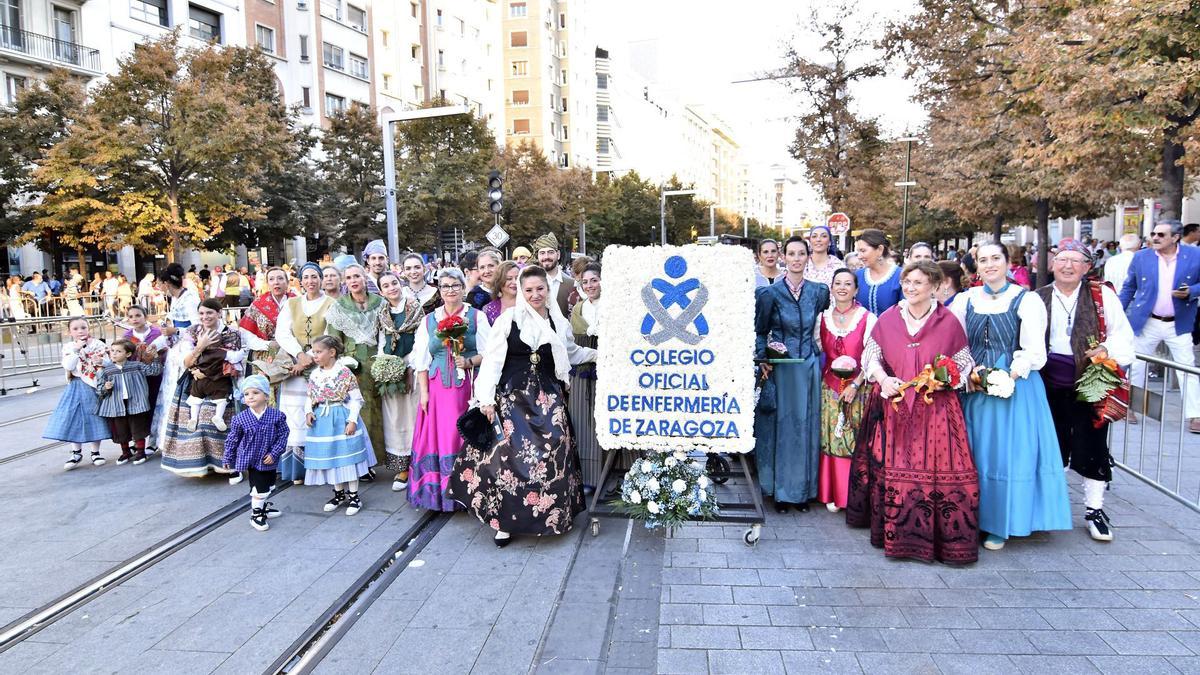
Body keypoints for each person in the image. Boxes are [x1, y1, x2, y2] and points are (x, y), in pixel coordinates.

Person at [448, 265, 597, 547]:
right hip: (512, 397)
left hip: (548, 399)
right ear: (521, 290)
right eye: (528, 290)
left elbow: (571, 353)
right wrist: (486, 399)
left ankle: (550, 515)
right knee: (509, 460)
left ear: (548, 289)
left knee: (554, 453)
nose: (535, 294)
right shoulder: (508, 319)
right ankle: (503, 524)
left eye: (540, 288)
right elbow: (492, 361)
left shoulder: (558, 321)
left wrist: (601, 354)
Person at [846, 261, 979, 564]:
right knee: (894, 469)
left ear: (934, 286)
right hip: (895, 406)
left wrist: (945, 377)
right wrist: (883, 379)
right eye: (907, 282)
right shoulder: (889, 318)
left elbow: (963, 361)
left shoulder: (948, 320)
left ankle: (939, 540)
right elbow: (871, 356)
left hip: (937, 411)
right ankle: (898, 536)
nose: (910, 288)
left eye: (918, 283)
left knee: (937, 471)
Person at [950, 243, 1071, 550]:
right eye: (983, 260)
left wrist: (1009, 375)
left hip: (1014, 383)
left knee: (1005, 452)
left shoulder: (1026, 300)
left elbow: (1033, 351)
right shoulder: (966, 299)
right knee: (974, 450)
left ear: (1007, 262)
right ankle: (970, 516)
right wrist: (969, 372)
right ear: (976, 265)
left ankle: (1000, 522)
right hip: (974, 381)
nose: (990, 264)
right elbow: (955, 342)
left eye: (995, 259)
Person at [1038, 240, 1135, 541]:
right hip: (1048, 381)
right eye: (1062, 259)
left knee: (1092, 443)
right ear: (1052, 264)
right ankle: (1049, 507)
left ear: (1087, 266)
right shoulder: (1037, 297)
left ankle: (1095, 508)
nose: (1067, 266)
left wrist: (1106, 347)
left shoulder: (1101, 295)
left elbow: (1122, 333)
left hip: (1093, 377)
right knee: (1051, 445)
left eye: (1075, 261)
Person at [753, 236, 830, 513]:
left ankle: (802, 492)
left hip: (808, 365)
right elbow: (760, 330)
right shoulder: (769, 294)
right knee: (782, 429)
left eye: (801, 253)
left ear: (808, 257)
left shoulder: (819, 292)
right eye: (792, 254)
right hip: (782, 368)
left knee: (805, 428)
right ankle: (781, 492)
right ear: (784, 258)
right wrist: (763, 358)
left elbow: (828, 324)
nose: (796, 258)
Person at [410, 268, 490, 511]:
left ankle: (467, 492)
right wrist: (424, 393)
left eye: (455, 285)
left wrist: (469, 361)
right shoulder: (429, 320)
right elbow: (421, 360)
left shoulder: (476, 317)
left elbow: (490, 354)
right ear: (439, 290)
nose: (450, 290)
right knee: (439, 437)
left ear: (463, 288)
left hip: (467, 386)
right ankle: (442, 495)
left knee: (461, 435)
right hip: (436, 389)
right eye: (445, 286)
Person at [1120, 219, 1200, 432]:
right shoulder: (1141, 257)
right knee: (1137, 365)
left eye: (1161, 235)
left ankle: (1195, 416)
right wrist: (1118, 313)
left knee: (1187, 368)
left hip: (1178, 323)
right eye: (1154, 234)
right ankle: (1132, 408)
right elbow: (1129, 287)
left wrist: (1191, 292)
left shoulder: (1194, 255)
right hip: (1147, 321)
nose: (1155, 238)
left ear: (1175, 238)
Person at [160, 298, 245, 477]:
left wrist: (206, 372)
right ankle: (201, 463)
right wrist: (200, 347)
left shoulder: (231, 333)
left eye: (209, 313)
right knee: (194, 423)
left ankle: (227, 463)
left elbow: (232, 362)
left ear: (219, 313)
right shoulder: (193, 331)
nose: (205, 317)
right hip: (194, 380)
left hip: (221, 382)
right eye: (201, 313)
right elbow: (186, 361)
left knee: (213, 420)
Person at [816, 268, 875, 512]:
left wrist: (855, 383)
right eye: (838, 283)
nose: (842, 287)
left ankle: (853, 495)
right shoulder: (822, 317)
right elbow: (817, 347)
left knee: (852, 437)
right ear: (831, 288)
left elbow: (872, 357)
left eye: (848, 283)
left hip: (858, 388)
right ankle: (831, 491)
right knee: (830, 437)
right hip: (829, 386)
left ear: (856, 289)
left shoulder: (867, 318)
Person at [274, 263, 335, 485]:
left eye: (314, 277)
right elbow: (282, 333)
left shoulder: (331, 303)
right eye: (306, 277)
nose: (310, 281)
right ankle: (296, 469)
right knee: (294, 415)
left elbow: (330, 332)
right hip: (294, 365)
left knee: (319, 412)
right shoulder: (291, 304)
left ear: (321, 279)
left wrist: (311, 356)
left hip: (320, 365)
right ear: (300, 281)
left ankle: (321, 466)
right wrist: (299, 354)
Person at [324, 263, 386, 477]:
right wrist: (342, 366)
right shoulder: (339, 306)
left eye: (356, 276)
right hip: (353, 366)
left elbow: (388, 332)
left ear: (364, 278)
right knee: (359, 412)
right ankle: (363, 464)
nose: (353, 281)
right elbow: (333, 341)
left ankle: (389, 457)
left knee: (384, 410)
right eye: (348, 277)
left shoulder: (380, 302)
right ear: (345, 281)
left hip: (380, 362)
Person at [305, 335, 371, 516]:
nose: (315, 355)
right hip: (323, 420)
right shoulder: (315, 373)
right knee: (331, 456)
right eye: (314, 352)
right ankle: (338, 493)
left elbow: (356, 400)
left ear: (332, 352)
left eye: (319, 351)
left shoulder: (344, 373)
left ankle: (354, 496)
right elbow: (310, 396)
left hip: (340, 416)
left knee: (346, 457)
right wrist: (309, 411)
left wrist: (352, 420)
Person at [377, 271, 425, 492]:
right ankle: (401, 466)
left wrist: (409, 366)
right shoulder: (382, 313)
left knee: (414, 415)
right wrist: (384, 366)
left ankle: (419, 462)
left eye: (394, 283)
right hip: (391, 369)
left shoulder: (415, 309)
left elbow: (422, 340)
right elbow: (381, 341)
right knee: (395, 418)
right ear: (381, 291)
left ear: (400, 284)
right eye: (386, 286)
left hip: (412, 367)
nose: (391, 288)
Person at [223, 375, 288, 531]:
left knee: (269, 484)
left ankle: (262, 507)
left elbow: (283, 435)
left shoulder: (276, 416)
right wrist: (228, 456)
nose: (250, 396)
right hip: (251, 459)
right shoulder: (240, 419)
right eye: (246, 394)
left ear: (266, 396)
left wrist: (274, 453)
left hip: (269, 459)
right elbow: (232, 439)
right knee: (259, 489)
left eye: (255, 393)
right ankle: (256, 514)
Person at [44, 317, 111, 469]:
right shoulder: (69, 347)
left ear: (88, 329)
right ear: (70, 332)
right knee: (73, 417)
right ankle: (76, 452)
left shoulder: (98, 344)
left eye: (83, 327)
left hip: (94, 385)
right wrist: (77, 349)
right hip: (76, 384)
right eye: (75, 328)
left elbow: (108, 362)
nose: (80, 331)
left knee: (95, 417)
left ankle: (95, 452)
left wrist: (99, 361)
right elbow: (68, 365)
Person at [95, 338, 163, 466]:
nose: (114, 354)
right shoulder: (106, 370)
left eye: (118, 351)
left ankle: (140, 452)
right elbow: (100, 391)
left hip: (136, 403)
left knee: (138, 428)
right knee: (121, 430)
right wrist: (106, 388)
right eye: (112, 351)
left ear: (128, 354)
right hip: (116, 405)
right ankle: (125, 452)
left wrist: (155, 358)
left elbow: (155, 371)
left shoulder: (136, 366)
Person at [569, 262, 603, 490]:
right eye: (585, 282)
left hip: (607, 371)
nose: (590, 285)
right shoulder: (578, 309)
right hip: (582, 371)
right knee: (583, 422)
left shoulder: (613, 306)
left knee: (604, 420)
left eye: (594, 280)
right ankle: (587, 476)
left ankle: (610, 474)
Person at [122, 306, 165, 455]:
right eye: (131, 316)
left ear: (145, 317)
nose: (134, 319)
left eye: (138, 315)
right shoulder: (127, 336)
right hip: (136, 378)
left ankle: (153, 441)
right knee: (138, 409)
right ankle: (138, 440)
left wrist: (154, 356)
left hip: (155, 376)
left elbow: (165, 351)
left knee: (155, 407)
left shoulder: (156, 333)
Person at [854, 229, 902, 315]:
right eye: (858, 251)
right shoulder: (858, 275)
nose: (859, 256)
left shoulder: (900, 275)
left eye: (863, 251)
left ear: (880, 249)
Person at [533, 233, 573, 315]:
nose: (546, 257)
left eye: (550, 252)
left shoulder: (571, 284)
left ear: (558, 255)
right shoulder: (530, 283)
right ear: (537, 256)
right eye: (542, 253)